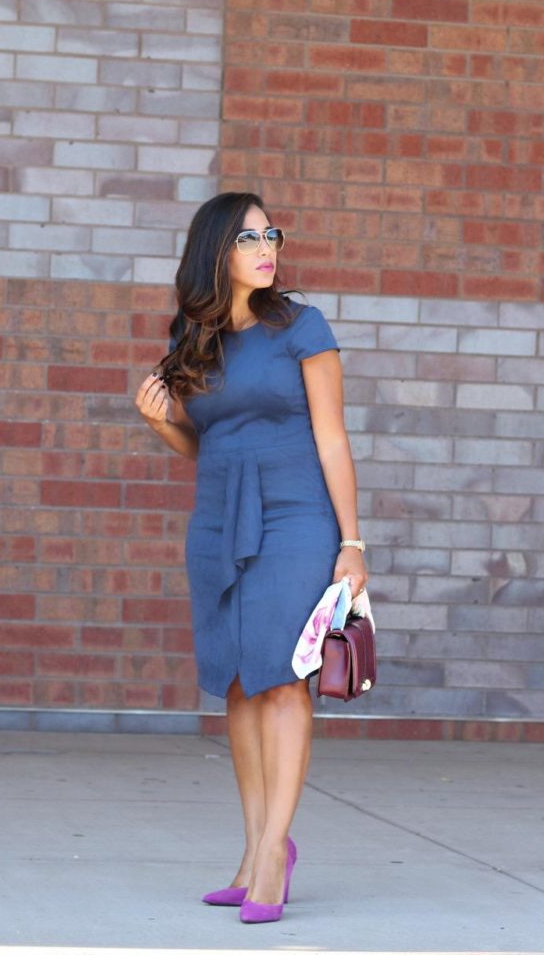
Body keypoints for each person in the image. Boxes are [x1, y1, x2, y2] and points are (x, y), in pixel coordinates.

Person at [133, 191, 368, 924]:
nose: (268, 247)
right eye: (249, 238)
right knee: (238, 683)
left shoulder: (303, 327)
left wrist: (352, 543)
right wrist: (160, 425)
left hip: (298, 520)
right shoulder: (193, 341)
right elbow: (206, 445)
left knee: (281, 679)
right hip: (218, 525)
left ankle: (276, 850)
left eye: (272, 234)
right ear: (216, 253)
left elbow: (332, 437)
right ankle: (251, 848)